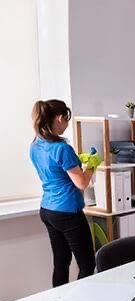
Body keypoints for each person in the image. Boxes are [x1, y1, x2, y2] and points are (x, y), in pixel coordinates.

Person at [30, 99, 100, 287]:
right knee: (87, 264)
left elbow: (55, 171)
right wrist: (92, 165)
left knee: (61, 262)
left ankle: (58, 300)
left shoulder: (35, 145)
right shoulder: (62, 148)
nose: (67, 124)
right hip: (68, 212)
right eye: (67, 119)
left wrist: (77, 162)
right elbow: (81, 183)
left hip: (48, 210)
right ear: (60, 118)